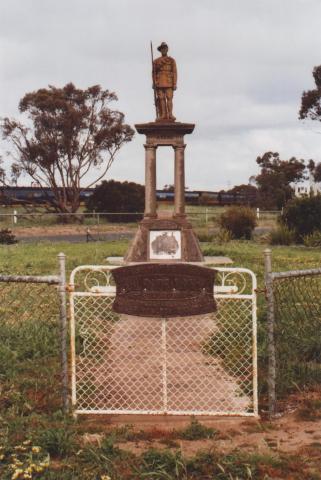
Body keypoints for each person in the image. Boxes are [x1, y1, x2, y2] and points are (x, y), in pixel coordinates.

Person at [153, 42, 177, 121]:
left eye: (165, 48)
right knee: (161, 98)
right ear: (160, 50)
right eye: (162, 48)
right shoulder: (156, 61)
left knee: (169, 98)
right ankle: (163, 115)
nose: (164, 50)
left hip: (169, 81)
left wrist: (174, 83)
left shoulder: (171, 60)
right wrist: (154, 82)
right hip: (159, 82)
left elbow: (174, 72)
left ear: (167, 49)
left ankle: (170, 114)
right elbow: (154, 72)